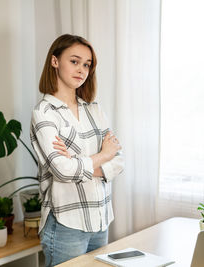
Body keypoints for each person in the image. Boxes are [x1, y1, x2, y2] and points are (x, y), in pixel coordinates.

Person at [30, 34, 124, 266]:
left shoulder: (94, 109)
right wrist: (102, 156)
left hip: (101, 219)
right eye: (74, 61)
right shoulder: (44, 112)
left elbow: (119, 161)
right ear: (55, 61)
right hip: (66, 224)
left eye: (87, 64)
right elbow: (63, 171)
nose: (81, 69)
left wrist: (76, 161)